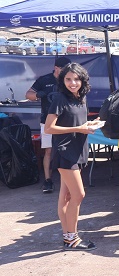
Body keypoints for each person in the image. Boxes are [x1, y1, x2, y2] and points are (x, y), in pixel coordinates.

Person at [44, 62, 99, 250]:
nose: (73, 83)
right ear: (63, 80)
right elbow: (49, 128)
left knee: (66, 196)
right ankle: (72, 238)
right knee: (78, 194)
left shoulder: (81, 98)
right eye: (68, 79)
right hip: (65, 151)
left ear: (83, 80)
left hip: (78, 150)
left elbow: (78, 122)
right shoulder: (59, 98)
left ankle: (68, 237)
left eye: (76, 79)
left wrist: (91, 124)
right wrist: (79, 128)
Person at [26, 55, 71, 194]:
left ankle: (68, 181)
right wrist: (39, 95)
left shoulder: (69, 80)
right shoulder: (44, 80)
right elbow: (28, 94)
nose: (67, 72)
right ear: (56, 68)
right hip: (47, 121)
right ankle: (48, 180)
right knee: (49, 151)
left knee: (66, 151)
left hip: (66, 121)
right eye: (64, 69)